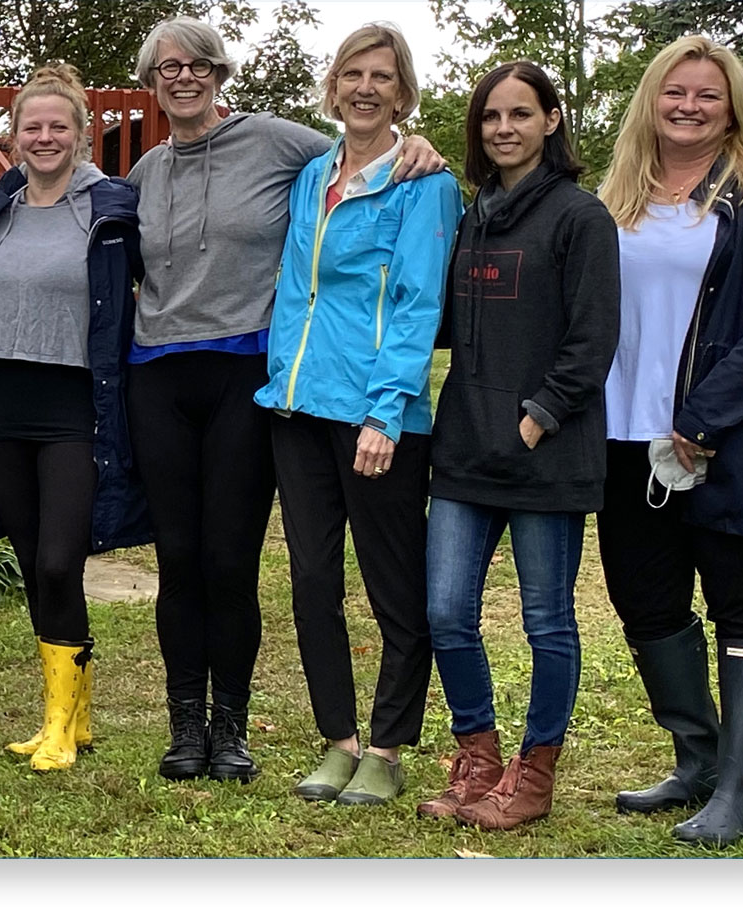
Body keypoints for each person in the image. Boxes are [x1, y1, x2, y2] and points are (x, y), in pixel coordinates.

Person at [126, 17, 446, 783]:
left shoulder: (313, 155)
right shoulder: (160, 172)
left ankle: (362, 744)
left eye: (198, 64)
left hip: (309, 391)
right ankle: (298, 735)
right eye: (167, 67)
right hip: (258, 393)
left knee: (331, 575)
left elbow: (413, 292)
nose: (183, 76)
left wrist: (417, 148)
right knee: (272, 573)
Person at [259, 22, 460, 806]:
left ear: (401, 91)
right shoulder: (311, 176)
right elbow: (294, 290)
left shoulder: (424, 184)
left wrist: (385, 412)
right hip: (297, 406)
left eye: (381, 76)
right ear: (333, 87)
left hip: (378, 416)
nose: (365, 87)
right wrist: (280, 378)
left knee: (391, 584)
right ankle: (336, 737)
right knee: (310, 578)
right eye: (352, 74)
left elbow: (416, 305)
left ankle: (386, 743)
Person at [420, 60, 617, 830]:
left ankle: (532, 774)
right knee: (444, 612)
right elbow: (439, 322)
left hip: (547, 454)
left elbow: (592, 338)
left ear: (550, 120)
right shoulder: (472, 217)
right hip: (464, 451)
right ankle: (477, 757)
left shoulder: (580, 217)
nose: (503, 128)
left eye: (519, 114)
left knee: (546, 621)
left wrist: (535, 416)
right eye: (490, 117)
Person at [594, 34, 743, 847]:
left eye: (707, 94)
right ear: (651, 99)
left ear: (731, 105)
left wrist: (701, 416)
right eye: (675, 91)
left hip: (722, 439)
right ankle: (695, 760)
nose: (688, 105)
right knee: (646, 600)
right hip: (624, 435)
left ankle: (739, 790)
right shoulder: (617, 193)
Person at [0, 63, 152, 774]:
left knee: (57, 560)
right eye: (30, 126)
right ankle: (75, 711)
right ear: (12, 136)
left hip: (74, 405)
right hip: (0, 406)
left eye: (57, 126)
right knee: (29, 560)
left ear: (80, 134)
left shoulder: (110, 207)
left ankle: (57, 726)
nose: (43, 137)